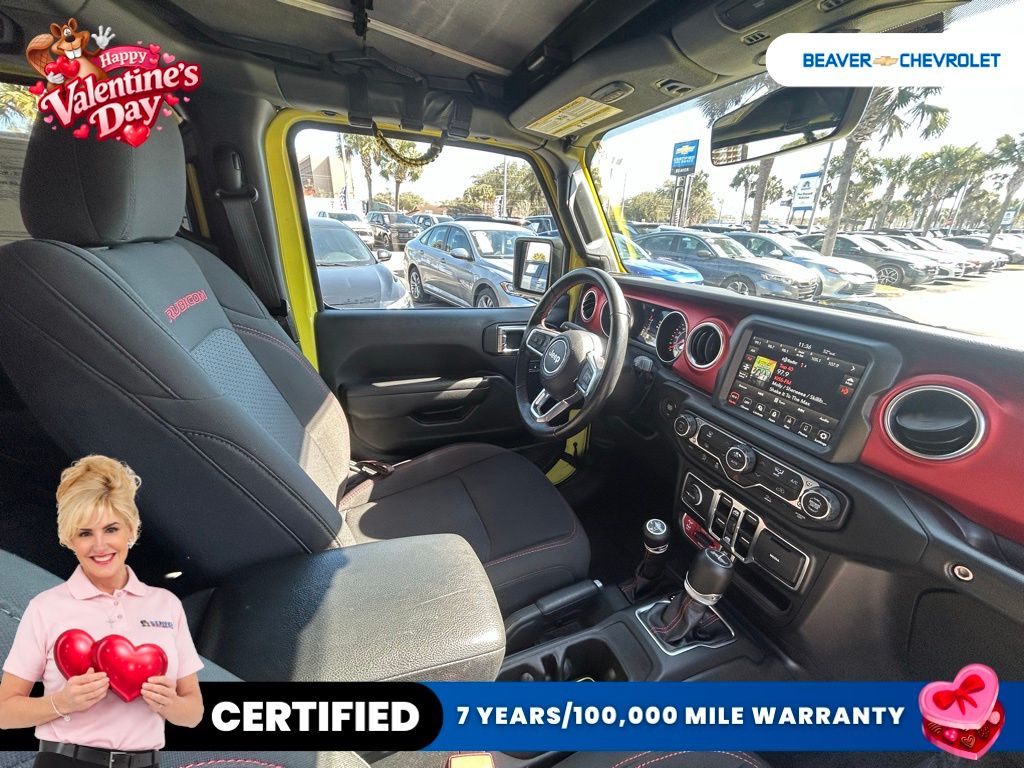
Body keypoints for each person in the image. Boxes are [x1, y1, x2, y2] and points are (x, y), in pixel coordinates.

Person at [0, 455, 204, 766]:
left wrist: (169, 704)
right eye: (85, 533)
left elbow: (193, 713)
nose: (100, 545)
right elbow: (4, 713)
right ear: (70, 539)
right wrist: (61, 703)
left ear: (130, 530)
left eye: (111, 529)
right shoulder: (46, 608)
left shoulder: (166, 605)